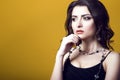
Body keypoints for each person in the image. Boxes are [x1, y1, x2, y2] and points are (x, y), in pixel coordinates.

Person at [50, 0, 120, 80]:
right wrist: (59, 55)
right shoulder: (67, 55)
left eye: (86, 18)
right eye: (74, 19)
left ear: (99, 22)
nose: (78, 24)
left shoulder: (112, 58)